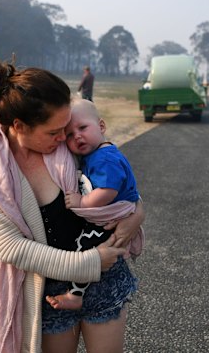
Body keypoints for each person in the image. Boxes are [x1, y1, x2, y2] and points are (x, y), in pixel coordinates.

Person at [0, 61, 144, 353]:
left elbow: (116, 182)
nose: (65, 138)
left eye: (66, 127)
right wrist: (90, 263)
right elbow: (10, 247)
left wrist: (137, 214)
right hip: (45, 293)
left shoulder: (69, 142)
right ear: (19, 127)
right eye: (53, 132)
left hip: (105, 279)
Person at [45, 99, 143, 311]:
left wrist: (82, 201)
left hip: (111, 218)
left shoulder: (104, 157)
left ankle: (75, 294)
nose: (77, 136)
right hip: (114, 215)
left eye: (82, 128)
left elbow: (107, 192)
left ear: (101, 126)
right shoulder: (95, 154)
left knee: (85, 247)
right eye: (70, 134)